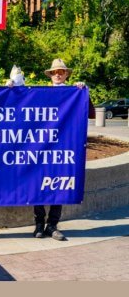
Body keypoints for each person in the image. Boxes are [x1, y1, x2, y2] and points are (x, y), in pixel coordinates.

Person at [34, 59, 88, 241]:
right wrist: (12, 85)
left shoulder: (74, 92)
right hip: (41, 147)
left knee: (60, 185)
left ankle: (52, 225)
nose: (58, 74)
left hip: (63, 148)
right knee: (37, 185)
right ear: (51, 75)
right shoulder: (41, 93)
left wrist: (82, 92)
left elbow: (88, 112)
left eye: (61, 72)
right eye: (55, 72)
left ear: (66, 74)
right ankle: (39, 224)